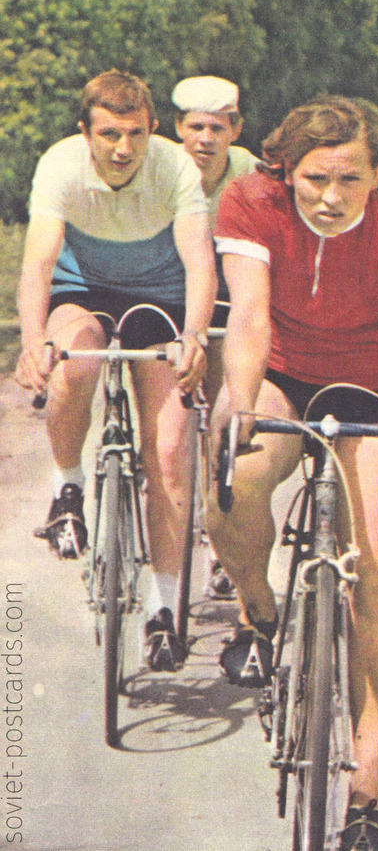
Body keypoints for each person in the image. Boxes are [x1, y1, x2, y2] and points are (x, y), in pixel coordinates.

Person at [209, 95, 378, 851]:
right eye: (314, 179)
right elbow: (247, 315)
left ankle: (367, 803)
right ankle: (259, 609)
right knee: (235, 480)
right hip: (280, 372)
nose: (330, 198)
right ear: (287, 169)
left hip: (364, 390)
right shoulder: (250, 202)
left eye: (350, 179)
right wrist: (237, 399)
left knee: (375, 571)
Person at [14, 69, 214, 671]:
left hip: (163, 297)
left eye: (135, 134)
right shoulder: (60, 164)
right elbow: (39, 264)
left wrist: (196, 337)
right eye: (108, 134)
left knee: (171, 452)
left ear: (153, 129)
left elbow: (200, 260)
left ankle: (161, 609)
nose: (123, 149)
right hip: (85, 288)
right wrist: (32, 343)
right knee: (75, 363)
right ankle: (67, 486)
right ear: (85, 133)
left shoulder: (176, 166)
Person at [172, 74, 258, 600]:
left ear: (235, 130)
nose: (205, 138)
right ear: (178, 129)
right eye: (195, 127)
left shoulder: (251, 172)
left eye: (217, 128)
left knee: (222, 415)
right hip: (171, 294)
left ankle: (217, 534)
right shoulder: (159, 166)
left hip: (228, 297)